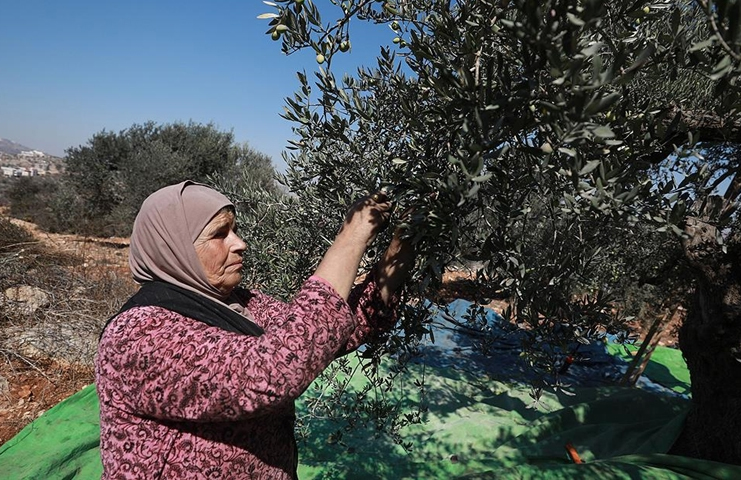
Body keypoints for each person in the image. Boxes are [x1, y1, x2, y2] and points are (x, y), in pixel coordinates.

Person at [95, 180, 414, 479]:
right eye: (220, 234)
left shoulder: (241, 303)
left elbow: (328, 332)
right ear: (173, 248)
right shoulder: (139, 335)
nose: (240, 244)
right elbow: (271, 373)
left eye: (235, 230)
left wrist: (403, 245)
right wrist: (352, 235)